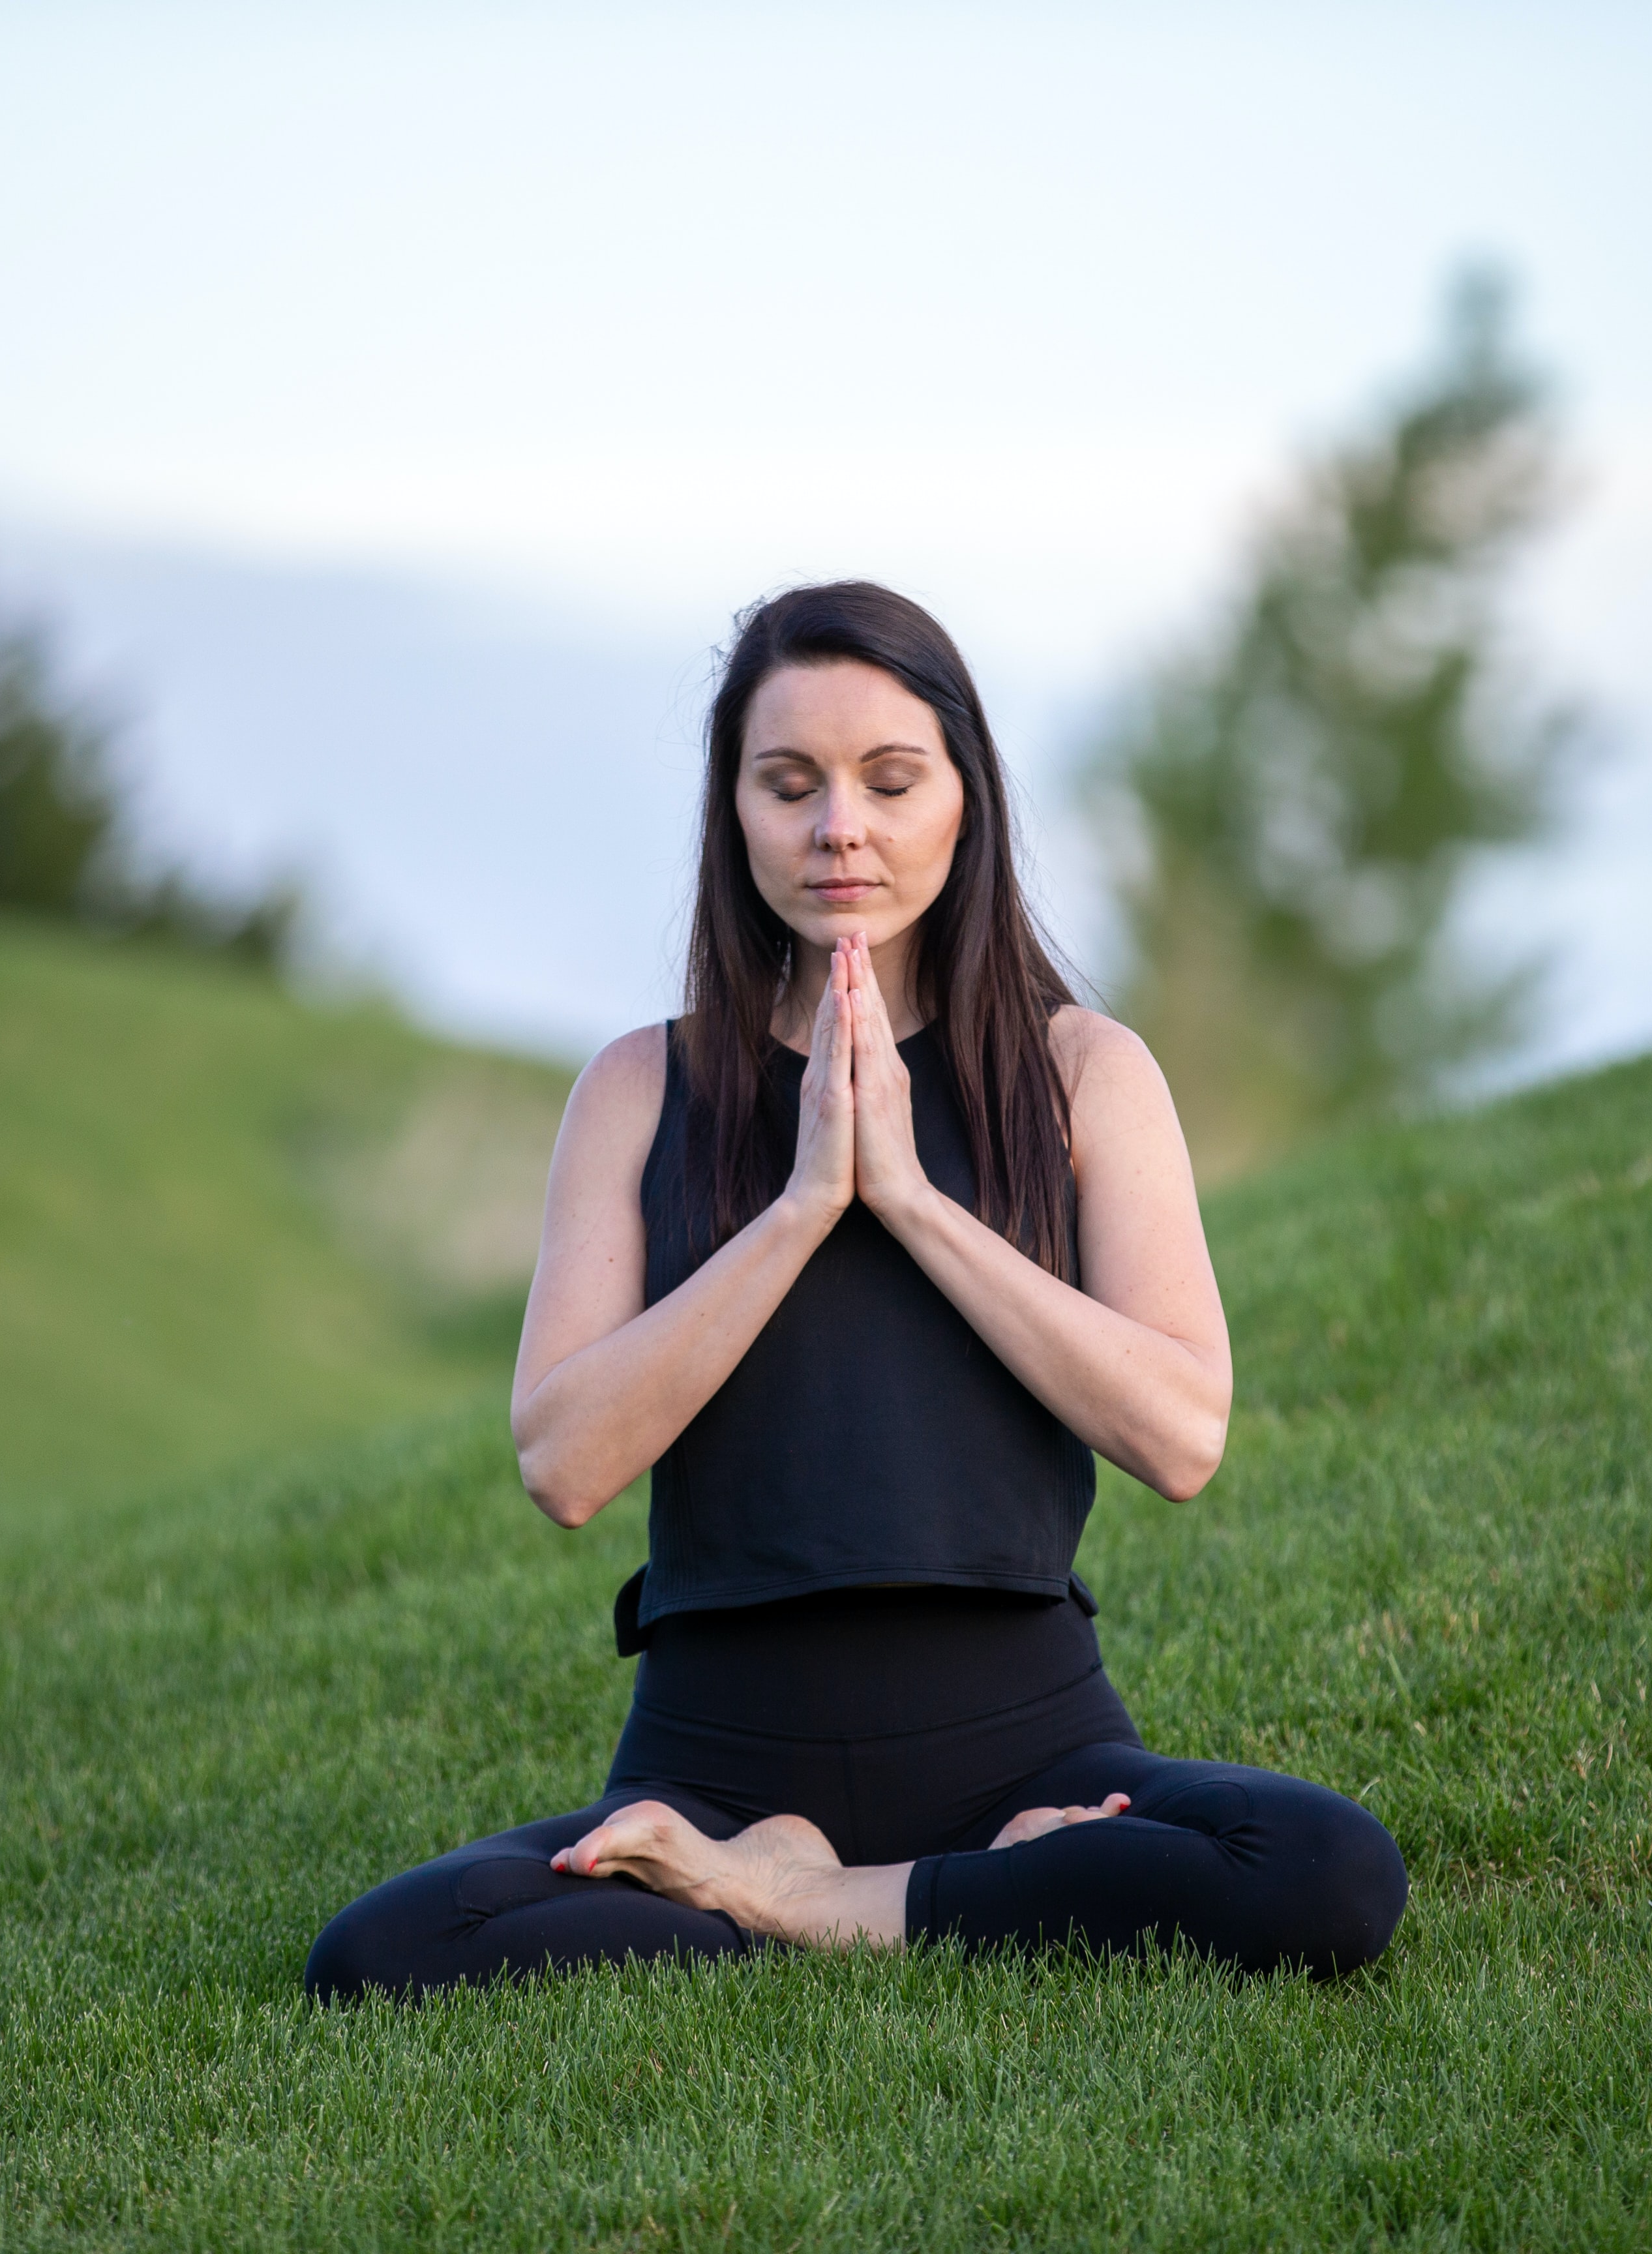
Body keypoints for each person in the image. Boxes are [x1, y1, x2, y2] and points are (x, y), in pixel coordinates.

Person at [303, 582, 1405, 1999]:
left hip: (1031, 1744)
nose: (842, 827)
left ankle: (806, 1902)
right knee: (382, 1954)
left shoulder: (1085, 1075)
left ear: (965, 799)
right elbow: (563, 1463)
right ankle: (899, 1885)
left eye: (891, 780)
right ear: (735, 811)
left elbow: (1183, 1436)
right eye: (790, 784)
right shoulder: (640, 1089)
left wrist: (912, 1199)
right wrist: (808, 1199)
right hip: (716, 1763)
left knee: (1326, 1872)